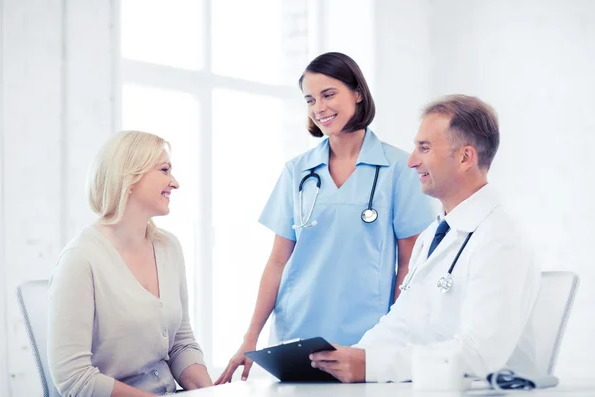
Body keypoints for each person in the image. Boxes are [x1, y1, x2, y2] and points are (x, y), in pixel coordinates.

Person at [216, 52, 435, 384]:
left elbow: (409, 266)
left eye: (329, 94)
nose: (319, 107)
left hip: (365, 341)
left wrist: (393, 339)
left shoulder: (399, 170)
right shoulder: (297, 172)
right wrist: (251, 338)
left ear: (357, 93)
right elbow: (277, 262)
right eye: (310, 99)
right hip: (296, 337)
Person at [309, 95, 541, 383]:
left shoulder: (501, 239)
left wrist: (373, 366)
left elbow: (479, 355)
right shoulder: (434, 234)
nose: (411, 161)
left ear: (465, 157)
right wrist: (351, 357)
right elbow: (403, 322)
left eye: (425, 148)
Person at [48, 131, 212, 397]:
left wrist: (211, 393)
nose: (175, 183)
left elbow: (180, 344)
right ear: (130, 177)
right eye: (164, 169)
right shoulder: (80, 258)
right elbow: (73, 379)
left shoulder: (169, 247)